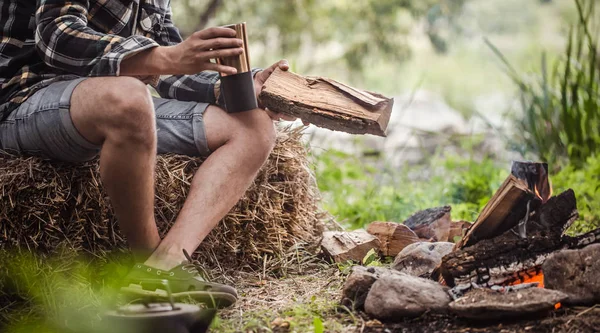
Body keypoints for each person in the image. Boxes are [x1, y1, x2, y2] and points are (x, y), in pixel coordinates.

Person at [0, 0, 293, 307]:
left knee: (254, 128)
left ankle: (163, 268)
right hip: (25, 100)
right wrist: (167, 57)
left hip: (113, 103)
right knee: (129, 96)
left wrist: (244, 83)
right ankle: (146, 261)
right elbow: (57, 37)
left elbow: (167, 67)